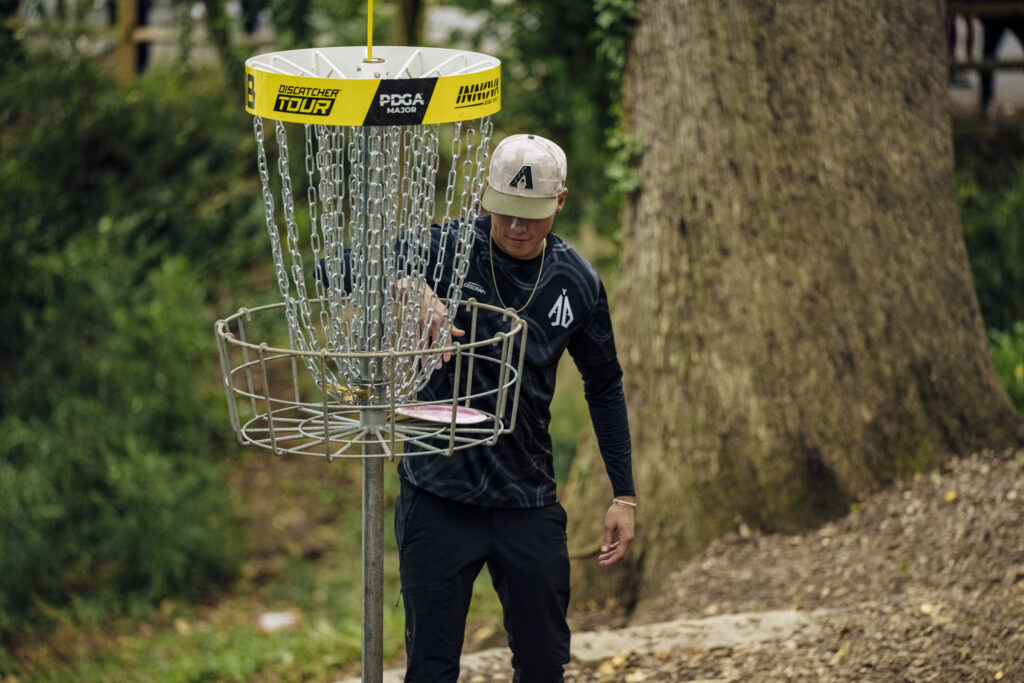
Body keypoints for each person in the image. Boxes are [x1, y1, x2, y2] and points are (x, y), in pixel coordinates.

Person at [395, 133, 636, 682]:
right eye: (504, 210)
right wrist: (410, 289)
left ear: (560, 201)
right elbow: (337, 268)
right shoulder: (448, 248)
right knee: (430, 669)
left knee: (545, 664)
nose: (516, 226)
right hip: (438, 494)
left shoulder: (577, 281)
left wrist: (623, 495)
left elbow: (605, 384)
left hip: (526, 497)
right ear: (486, 193)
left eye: (531, 214)